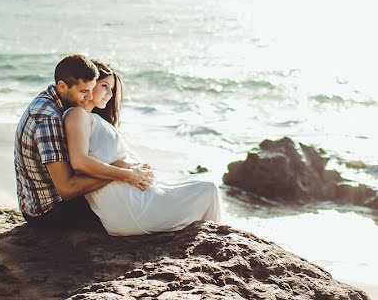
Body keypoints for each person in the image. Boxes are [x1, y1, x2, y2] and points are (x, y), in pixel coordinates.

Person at [64, 59, 222, 236]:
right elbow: (80, 162)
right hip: (129, 207)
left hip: (132, 199)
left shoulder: (94, 119)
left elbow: (105, 159)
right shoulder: (78, 115)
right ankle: (211, 244)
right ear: (90, 83)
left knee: (201, 186)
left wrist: (134, 168)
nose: (109, 94)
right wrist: (130, 172)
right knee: (208, 189)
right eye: (104, 86)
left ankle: (206, 240)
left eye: (112, 89)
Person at [14, 54, 153, 230]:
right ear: (62, 86)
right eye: (83, 92)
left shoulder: (54, 99)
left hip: (37, 201)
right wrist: (124, 172)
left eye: (91, 90)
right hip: (48, 212)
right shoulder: (48, 119)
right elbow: (67, 189)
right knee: (135, 207)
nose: (88, 98)